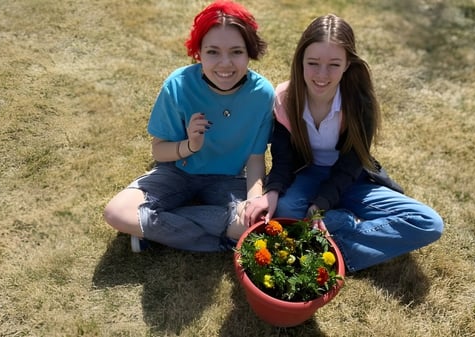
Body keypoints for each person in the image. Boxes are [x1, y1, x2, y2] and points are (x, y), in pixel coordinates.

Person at [245, 14, 444, 272]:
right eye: (313, 63)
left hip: (352, 178)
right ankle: (339, 222)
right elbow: (284, 158)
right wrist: (271, 192)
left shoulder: (360, 103)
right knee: (284, 208)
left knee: (428, 223)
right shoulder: (284, 98)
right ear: (300, 61)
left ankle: (337, 247)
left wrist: (320, 205)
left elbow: (351, 165)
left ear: (348, 63)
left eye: (334, 65)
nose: (321, 75)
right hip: (308, 174)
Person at [103, 0, 274, 252]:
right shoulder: (178, 85)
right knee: (117, 213)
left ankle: (156, 232)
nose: (225, 63)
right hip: (178, 172)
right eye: (212, 52)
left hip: (228, 180)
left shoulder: (262, 94)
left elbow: (255, 159)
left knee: (254, 221)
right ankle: (221, 239)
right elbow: (159, 152)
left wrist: (254, 200)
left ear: (249, 52)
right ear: (199, 52)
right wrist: (190, 146)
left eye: (236, 52)